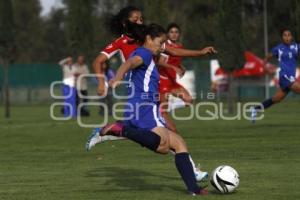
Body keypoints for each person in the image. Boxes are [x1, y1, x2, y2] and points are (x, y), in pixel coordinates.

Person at [90, 6, 215, 181]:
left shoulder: (147, 38)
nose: (140, 22)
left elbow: (172, 51)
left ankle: (105, 133)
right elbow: (98, 61)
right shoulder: (120, 42)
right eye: (135, 19)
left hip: (150, 90)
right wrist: (101, 82)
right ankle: (192, 171)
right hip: (140, 93)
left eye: (141, 19)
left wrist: (199, 52)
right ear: (125, 22)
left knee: (148, 131)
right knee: (167, 130)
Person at [251, 28, 300, 122]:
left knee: (276, 99)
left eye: (289, 35)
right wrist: (265, 68)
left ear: (291, 37)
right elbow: (267, 57)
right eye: (285, 35)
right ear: (282, 37)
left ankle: (255, 109)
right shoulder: (278, 48)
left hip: (291, 78)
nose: (287, 37)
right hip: (284, 77)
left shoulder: (296, 47)